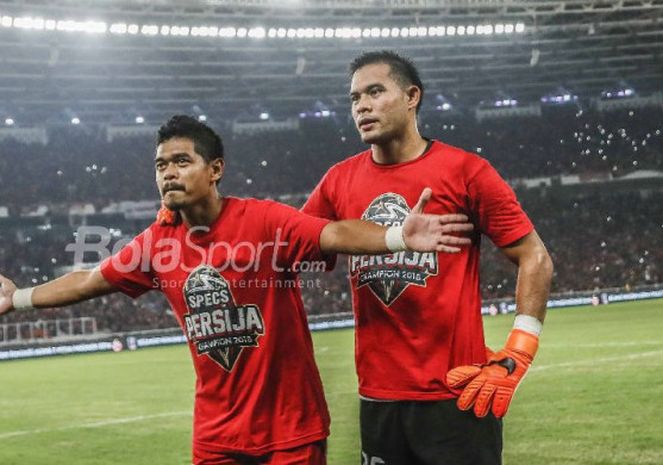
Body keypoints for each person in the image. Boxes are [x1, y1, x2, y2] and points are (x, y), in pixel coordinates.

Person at [0, 115, 472, 465]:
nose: (168, 172)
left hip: (291, 432)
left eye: (182, 161)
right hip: (216, 436)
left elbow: (331, 234)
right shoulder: (156, 243)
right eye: (161, 164)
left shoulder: (263, 220)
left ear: (215, 169)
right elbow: (89, 280)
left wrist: (394, 238)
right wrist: (17, 297)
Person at [302, 51, 554, 464]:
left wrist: (519, 350)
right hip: (378, 399)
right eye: (354, 98)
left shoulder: (466, 171)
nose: (362, 105)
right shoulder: (338, 180)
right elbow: (289, 247)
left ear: (411, 96)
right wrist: (191, 214)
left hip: (457, 395)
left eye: (375, 91)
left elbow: (534, 257)